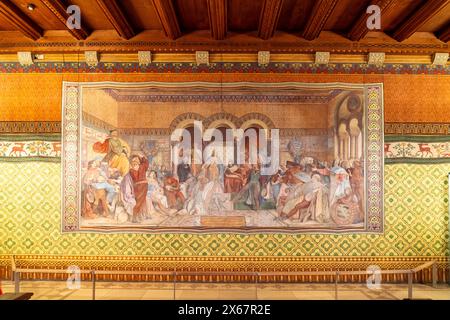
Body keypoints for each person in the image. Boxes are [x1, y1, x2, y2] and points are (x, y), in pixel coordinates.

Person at [127, 155, 149, 223]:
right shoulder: (132, 170)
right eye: (133, 161)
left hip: (143, 186)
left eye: (137, 160)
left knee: (142, 201)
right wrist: (134, 169)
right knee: (139, 201)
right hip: (139, 187)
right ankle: (134, 217)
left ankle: (141, 215)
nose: (135, 162)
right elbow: (135, 177)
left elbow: (146, 163)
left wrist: (143, 158)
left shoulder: (142, 166)